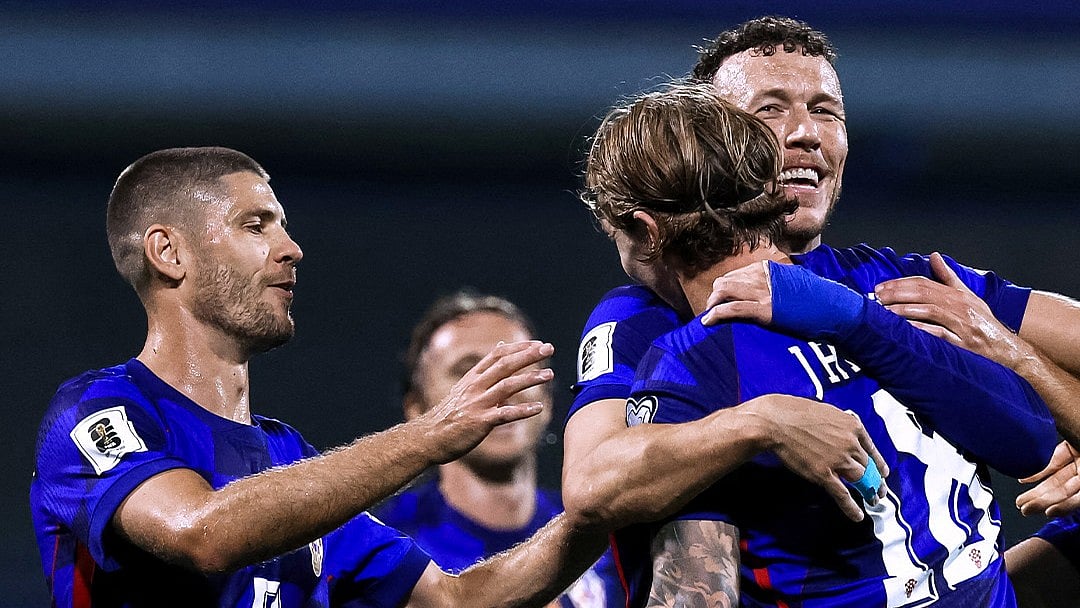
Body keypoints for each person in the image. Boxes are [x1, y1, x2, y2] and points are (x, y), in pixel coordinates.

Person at [561, 14, 1080, 603]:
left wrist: (1009, 350)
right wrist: (759, 424)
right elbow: (595, 483)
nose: (806, 131)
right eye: (771, 110)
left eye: (825, 110)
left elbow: (1035, 438)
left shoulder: (902, 279)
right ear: (723, 145)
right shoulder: (649, 320)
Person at [29, 147, 606, 607]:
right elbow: (201, 532)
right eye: (256, 225)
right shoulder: (99, 411)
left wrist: (600, 514)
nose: (293, 249)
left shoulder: (288, 458)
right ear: (168, 253)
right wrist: (432, 435)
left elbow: (456, 599)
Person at [373, 290, 620, 607]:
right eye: (467, 372)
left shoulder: (601, 534)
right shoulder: (386, 548)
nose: (501, 387)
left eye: (516, 366)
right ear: (418, 410)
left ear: (547, 398)